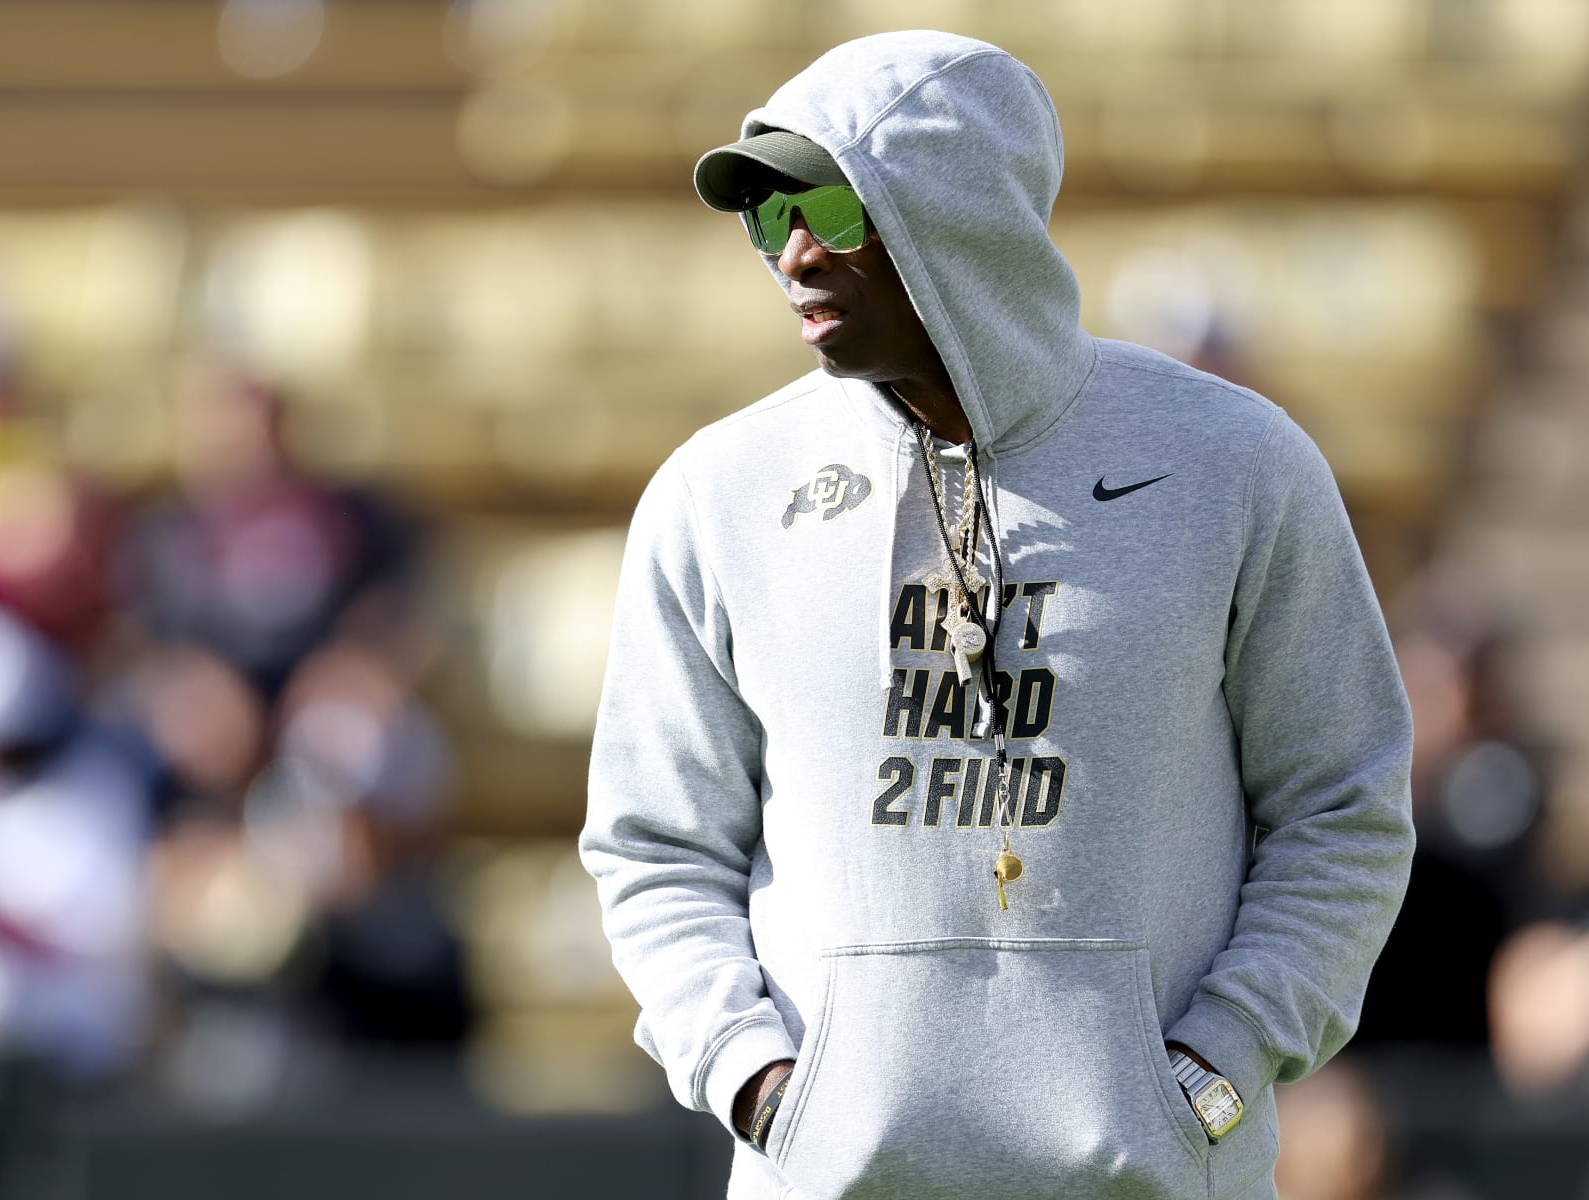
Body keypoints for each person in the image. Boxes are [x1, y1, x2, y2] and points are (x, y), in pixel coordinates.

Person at [579, 31, 1415, 1200]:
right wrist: (760, 1086)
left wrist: (1215, 1072)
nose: (795, 254)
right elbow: (654, 846)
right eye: (768, 218)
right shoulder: (718, 494)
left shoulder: (1237, 466)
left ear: (956, 207)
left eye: (827, 205)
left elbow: (1342, 810)